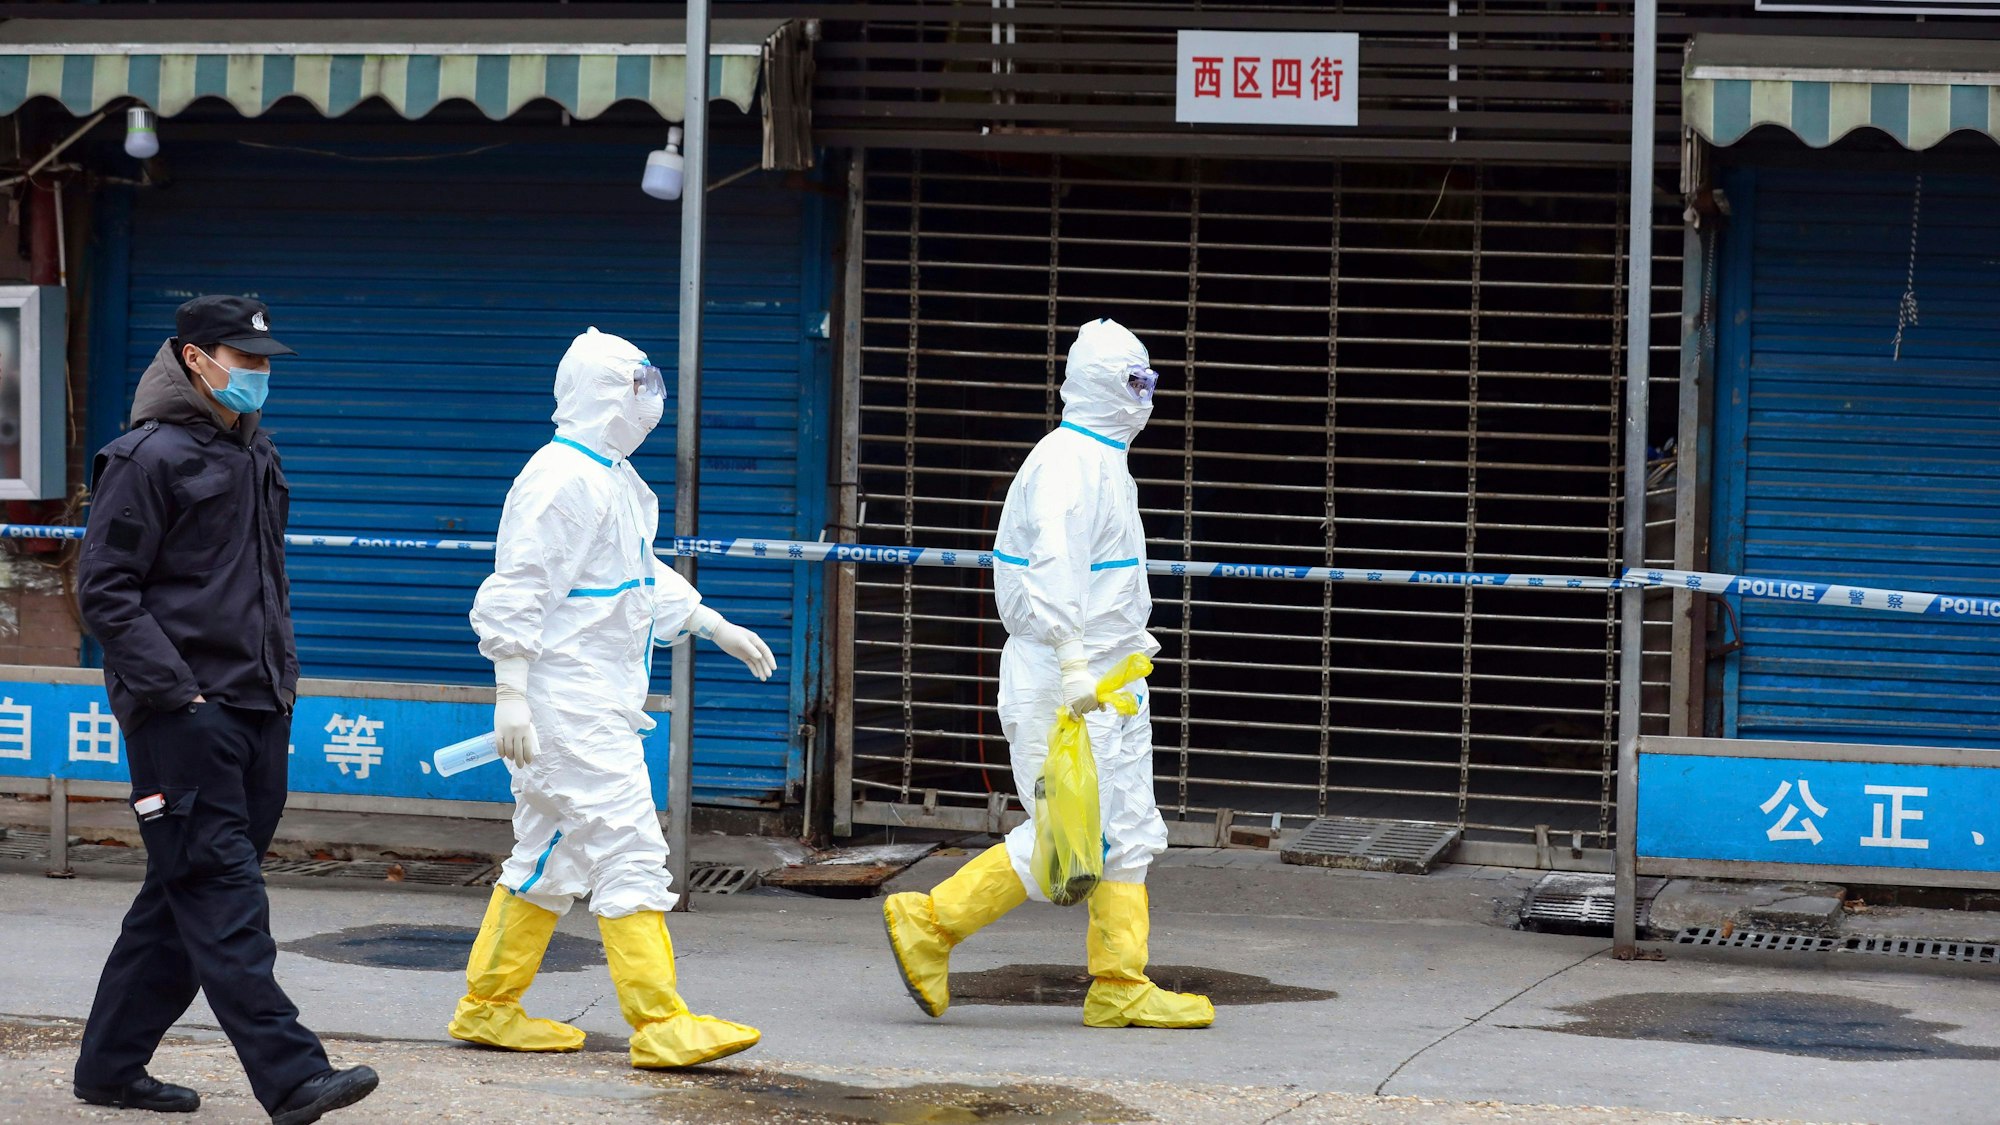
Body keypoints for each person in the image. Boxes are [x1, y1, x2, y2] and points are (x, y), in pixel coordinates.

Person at [73, 295, 379, 1124]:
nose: (259, 374)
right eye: (245, 360)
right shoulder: (147, 458)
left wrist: (278, 685)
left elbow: (259, 585)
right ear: (194, 358)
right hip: (183, 714)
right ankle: (291, 1073)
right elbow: (105, 591)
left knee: (182, 892)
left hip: (257, 705)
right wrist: (180, 694)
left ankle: (108, 1066)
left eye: (266, 361)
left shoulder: (253, 452)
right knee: (220, 887)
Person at [453, 327, 775, 1069]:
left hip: (587, 698)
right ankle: (659, 1020)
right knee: (629, 845)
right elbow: (519, 588)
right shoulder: (562, 478)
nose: (652, 398)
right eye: (639, 384)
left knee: (549, 856)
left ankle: (489, 1006)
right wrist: (511, 692)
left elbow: (634, 573)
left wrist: (706, 619)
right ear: (603, 392)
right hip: (569, 705)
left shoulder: (612, 476)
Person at [882, 318, 1214, 1030]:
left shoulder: (1102, 460)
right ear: (1103, 385)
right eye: (1136, 380)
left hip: (1106, 676)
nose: (1146, 393)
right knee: (1073, 834)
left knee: (1125, 831)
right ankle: (930, 923)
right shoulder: (1068, 464)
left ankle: (1119, 981)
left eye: (1147, 378)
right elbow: (1054, 574)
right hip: (1071, 679)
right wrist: (1072, 666)